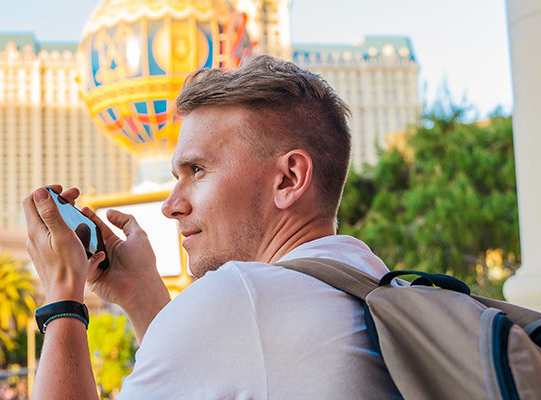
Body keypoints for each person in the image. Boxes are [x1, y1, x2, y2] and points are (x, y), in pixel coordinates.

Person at [22, 55, 401, 399]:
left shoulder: (240, 298)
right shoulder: (374, 282)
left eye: (197, 171)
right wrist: (140, 295)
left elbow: (241, 324)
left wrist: (61, 297)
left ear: (288, 178)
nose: (172, 206)